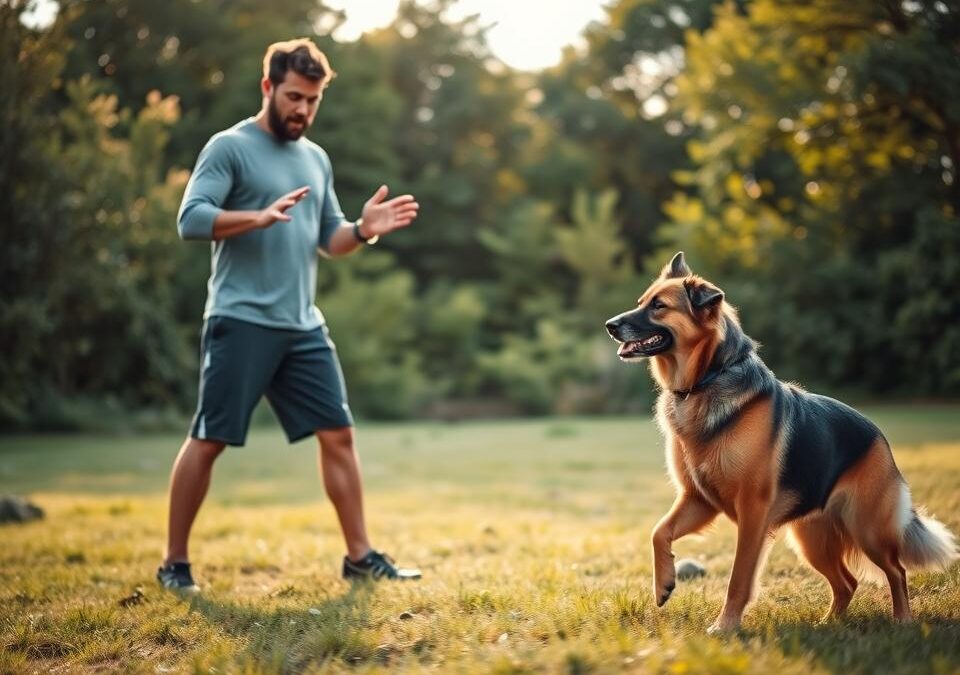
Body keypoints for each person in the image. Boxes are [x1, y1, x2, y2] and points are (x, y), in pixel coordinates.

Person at [157, 38, 421, 594]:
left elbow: (331, 238)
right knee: (210, 438)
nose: (302, 109)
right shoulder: (228, 147)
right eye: (294, 96)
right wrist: (255, 217)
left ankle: (359, 555)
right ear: (268, 88)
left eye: (313, 100)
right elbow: (190, 219)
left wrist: (365, 230)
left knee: (339, 434)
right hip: (240, 319)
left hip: (302, 325)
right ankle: (174, 563)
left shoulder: (316, 158)